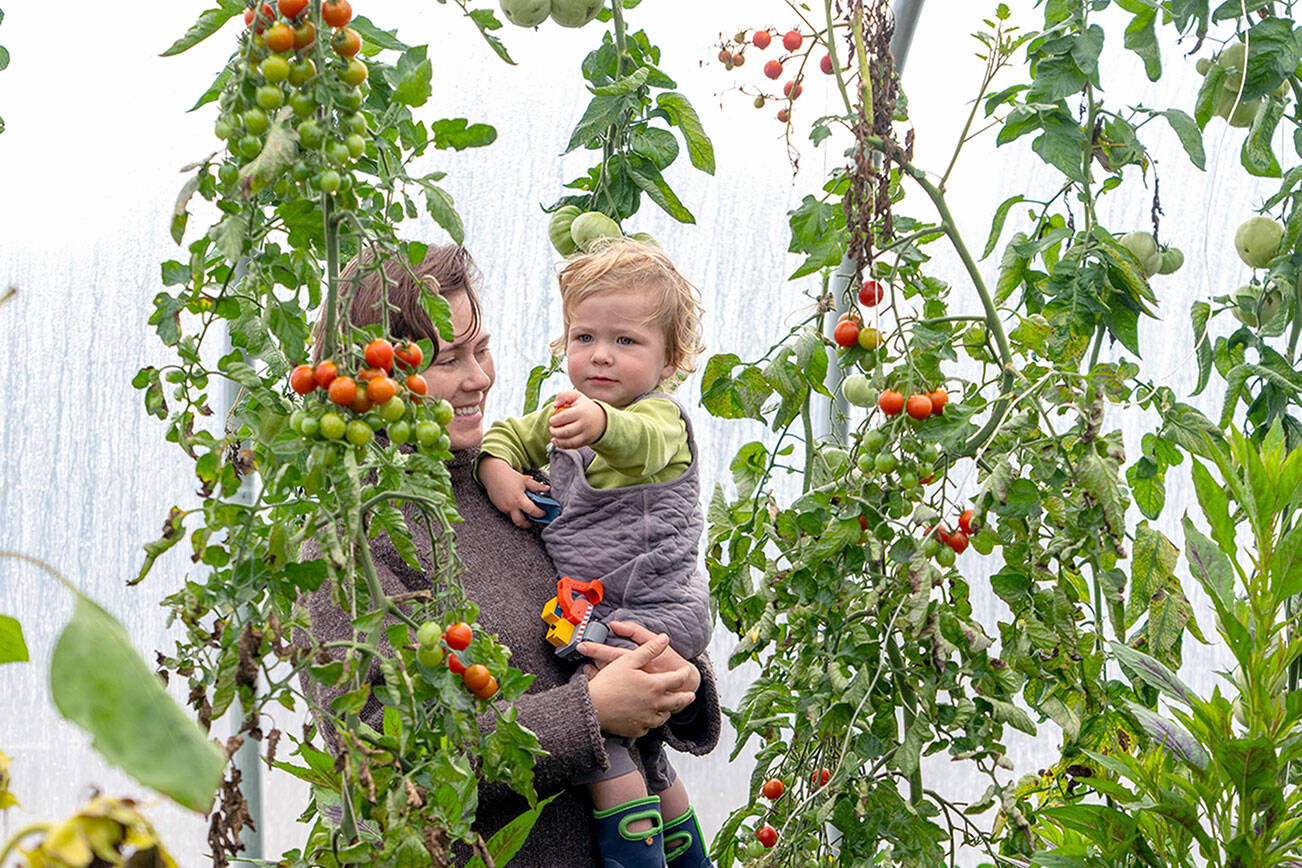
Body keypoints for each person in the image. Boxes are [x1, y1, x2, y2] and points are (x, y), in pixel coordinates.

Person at [297, 245, 720, 868]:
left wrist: (680, 680)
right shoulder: (347, 546)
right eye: (448, 361)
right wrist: (588, 714)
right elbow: (384, 763)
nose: (480, 378)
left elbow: (621, 583)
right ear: (373, 377)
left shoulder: (513, 483)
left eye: (481, 348)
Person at [476, 239, 713, 868]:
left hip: (654, 608)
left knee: (601, 737)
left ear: (672, 360)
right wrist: (498, 469)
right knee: (645, 752)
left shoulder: (659, 418)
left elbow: (640, 444)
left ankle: (632, 860)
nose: (601, 355)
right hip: (604, 610)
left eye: (626, 342)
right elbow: (505, 435)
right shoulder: (562, 415)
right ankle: (686, 853)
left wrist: (603, 425)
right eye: (584, 337)